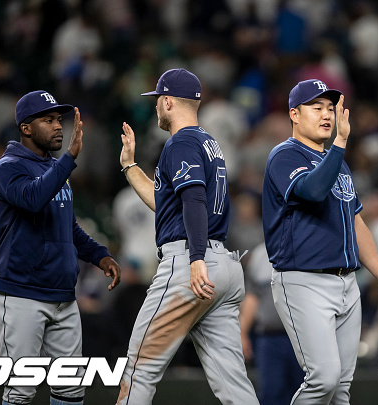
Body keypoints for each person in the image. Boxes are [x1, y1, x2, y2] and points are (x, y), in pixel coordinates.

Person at [116, 68, 259, 405]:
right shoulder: (208, 143)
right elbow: (167, 204)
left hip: (191, 263)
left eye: (157, 101)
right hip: (223, 264)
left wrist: (196, 258)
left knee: (138, 370)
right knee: (233, 384)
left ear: (167, 102)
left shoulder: (180, 142)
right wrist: (129, 166)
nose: (155, 108)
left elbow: (193, 198)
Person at [262, 79, 378, 404]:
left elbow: (356, 223)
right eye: (317, 107)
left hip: (347, 285)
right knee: (323, 380)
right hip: (303, 281)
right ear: (294, 114)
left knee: (341, 390)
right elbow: (312, 191)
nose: (327, 114)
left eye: (331, 108)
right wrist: (340, 143)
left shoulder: (338, 164)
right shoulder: (284, 155)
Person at [0, 90, 121, 405]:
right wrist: (69, 160)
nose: (58, 126)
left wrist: (99, 255)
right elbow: (33, 200)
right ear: (26, 128)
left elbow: (68, 227)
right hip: (19, 294)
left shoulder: (56, 170)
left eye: (58, 119)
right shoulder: (8, 167)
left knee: (71, 389)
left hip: (62, 297)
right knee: (21, 390)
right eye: (48, 120)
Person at [239, 242, 304, 405]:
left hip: (304, 337)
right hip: (270, 338)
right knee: (271, 393)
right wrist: (242, 333)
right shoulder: (261, 253)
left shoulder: (306, 247)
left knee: (308, 393)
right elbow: (252, 296)